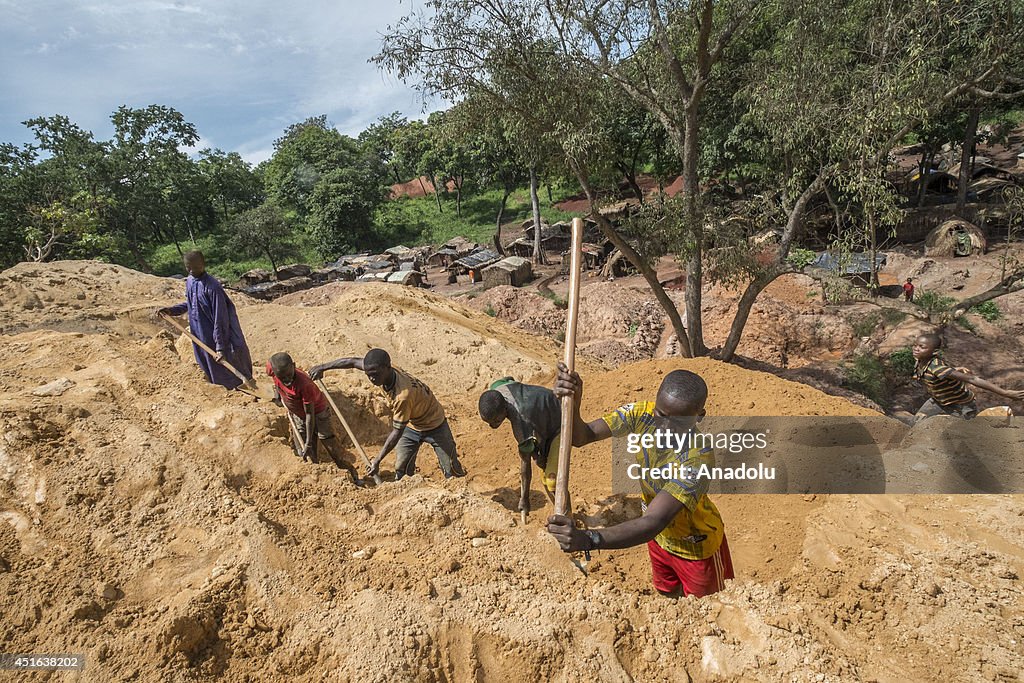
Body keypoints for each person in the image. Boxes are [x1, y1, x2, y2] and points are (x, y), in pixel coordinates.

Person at [546, 363, 734, 598]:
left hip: (695, 549)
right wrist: (573, 403)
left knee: (706, 609)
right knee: (666, 595)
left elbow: (654, 520)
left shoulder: (697, 458)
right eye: (662, 415)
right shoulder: (641, 414)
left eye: (679, 422)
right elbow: (584, 436)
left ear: (699, 416)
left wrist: (589, 539)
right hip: (658, 541)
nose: (665, 427)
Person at [309, 349, 467, 481]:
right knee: (401, 470)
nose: (371, 378)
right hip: (412, 424)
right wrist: (323, 367)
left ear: (387, 368)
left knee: (452, 469)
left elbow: (397, 432)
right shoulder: (378, 368)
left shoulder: (402, 396)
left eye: (375, 374)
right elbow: (351, 361)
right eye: (368, 374)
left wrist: (377, 460)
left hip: (434, 423)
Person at [158, 250, 253, 390]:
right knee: (208, 365)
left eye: (195, 267)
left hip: (217, 335)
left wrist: (220, 347)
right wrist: (172, 310)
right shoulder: (190, 281)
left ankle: (239, 389)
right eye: (188, 267)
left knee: (228, 367)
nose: (191, 270)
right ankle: (219, 390)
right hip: (200, 334)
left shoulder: (213, 288)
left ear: (203, 264)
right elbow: (190, 303)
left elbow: (220, 319)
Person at [266, 352, 360, 482]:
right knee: (302, 450)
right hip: (298, 414)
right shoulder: (274, 369)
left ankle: (353, 476)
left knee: (329, 443)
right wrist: (277, 395)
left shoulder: (304, 384)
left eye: (289, 375)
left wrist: (309, 442)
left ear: (294, 366)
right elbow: (275, 382)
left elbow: (310, 415)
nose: (287, 380)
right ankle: (315, 476)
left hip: (317, 412)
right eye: (282, 377)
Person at [479, 378, 562, 517]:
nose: (492, 426)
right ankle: (559, 512)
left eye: (496, 421)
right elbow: (509, 379)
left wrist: (524, 499)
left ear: (505, 409)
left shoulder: (521, 420)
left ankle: (568, 519)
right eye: (488, 422)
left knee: (551, 481)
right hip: (545, 411)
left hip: (561, 422)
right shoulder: (497, 388)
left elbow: (525, 462)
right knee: (543, 470)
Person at [912, 332, 1024, 422]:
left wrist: (1005, 393)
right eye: (915, 345)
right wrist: (956, 369)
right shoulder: (920, 361)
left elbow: (972, 379)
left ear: (934, 351)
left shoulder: (936, 368)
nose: (916, 349)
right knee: (916, 423)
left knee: (966, 436)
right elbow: (945, 371)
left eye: (922, 347)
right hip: (938, 402)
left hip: (961, 406)